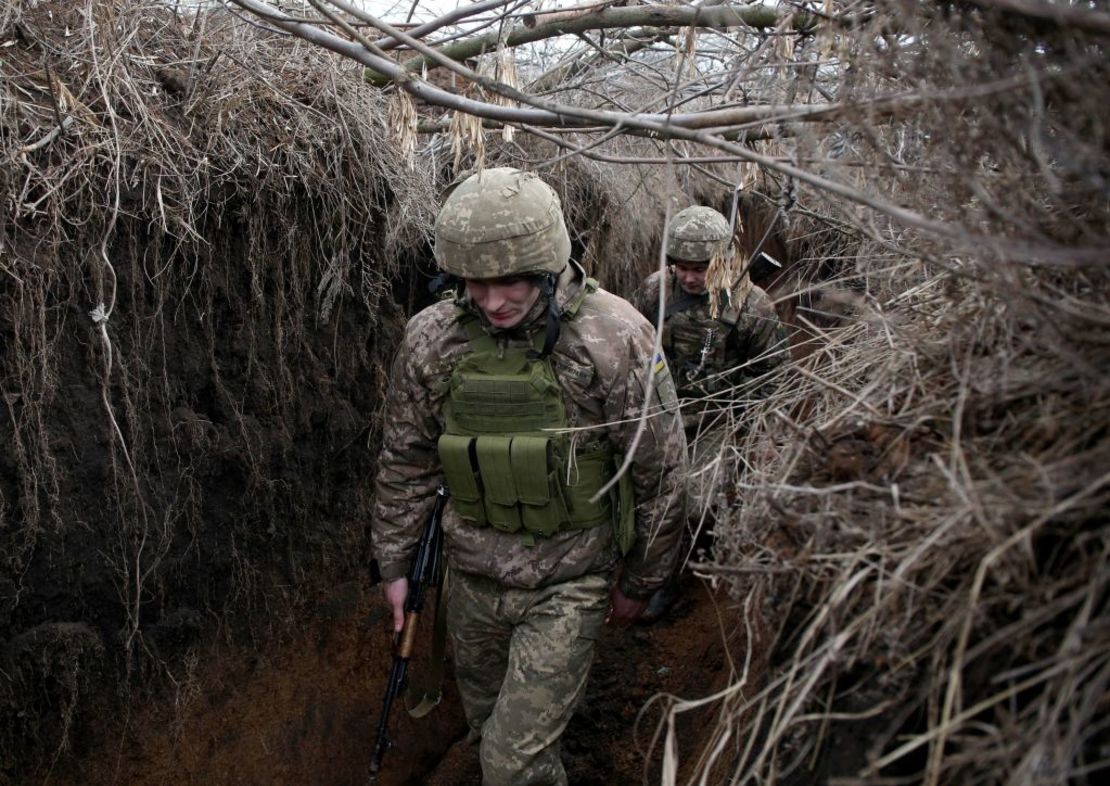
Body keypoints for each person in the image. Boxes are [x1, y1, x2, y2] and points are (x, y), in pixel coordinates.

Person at [370, 167, 687, 785]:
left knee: (512, 764)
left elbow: (660, 470)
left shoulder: (613, 335)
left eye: (510, 281)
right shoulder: (431, 339)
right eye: (476, 282)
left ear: (546, 264)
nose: (493, 301)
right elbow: (407, 461)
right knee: (490, 730)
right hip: (470, 580)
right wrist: (395, 566)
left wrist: (642, 578)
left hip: (570, 580)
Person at [629, 205, 788, 622]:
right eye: (681, 267)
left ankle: (677, 580)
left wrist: (760, 434)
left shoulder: (753, 305)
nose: (690, 277)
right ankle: (640, 568)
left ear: (722, 262)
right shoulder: (653, 292)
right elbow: (631, 347)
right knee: (643, 493)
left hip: (718, 418)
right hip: (662, 412)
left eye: (700, 268)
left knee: (693, 504)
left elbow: (773, 377)